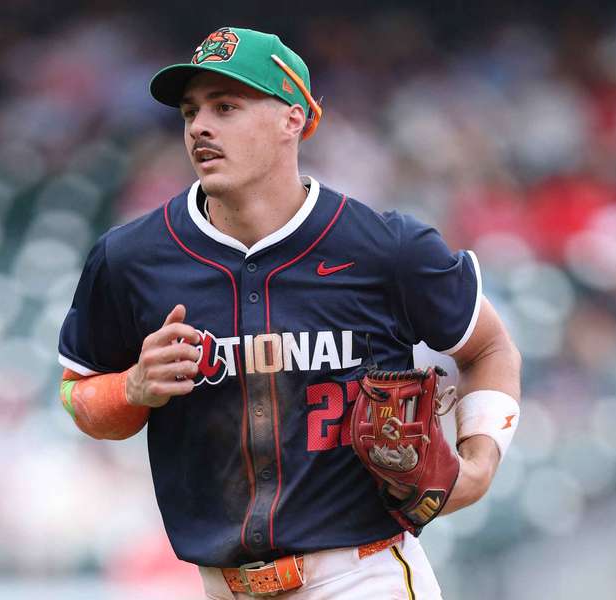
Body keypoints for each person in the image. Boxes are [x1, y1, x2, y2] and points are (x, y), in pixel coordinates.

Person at [57, 26, 521, 600]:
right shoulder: (131, 258)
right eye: (190, 110)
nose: (200, 126)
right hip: (223, 587)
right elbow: (78, 396)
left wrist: (478, 464)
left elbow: (491, 348)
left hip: (360, 575)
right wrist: (132, 388)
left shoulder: (382, 248)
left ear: (293, 119)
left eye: (226, 106)